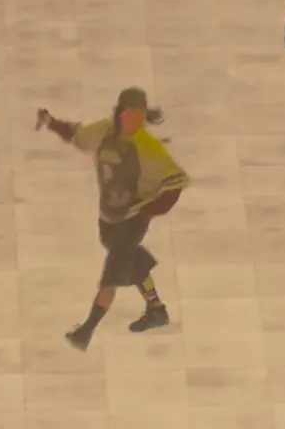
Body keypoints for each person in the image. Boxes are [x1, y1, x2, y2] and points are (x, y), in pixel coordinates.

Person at [35, 87, 190, 352]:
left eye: (140, 113)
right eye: (132, 112)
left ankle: (85, 331)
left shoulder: (146, 144)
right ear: (121, 111)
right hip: (109, 217)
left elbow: (177, 182)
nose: (136, 118)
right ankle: (156, 309)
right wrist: (51, 123)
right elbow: (79, 136)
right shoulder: (105, 130)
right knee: (130, 259)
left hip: (132, 221)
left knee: (111, 277)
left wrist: (147, 211)